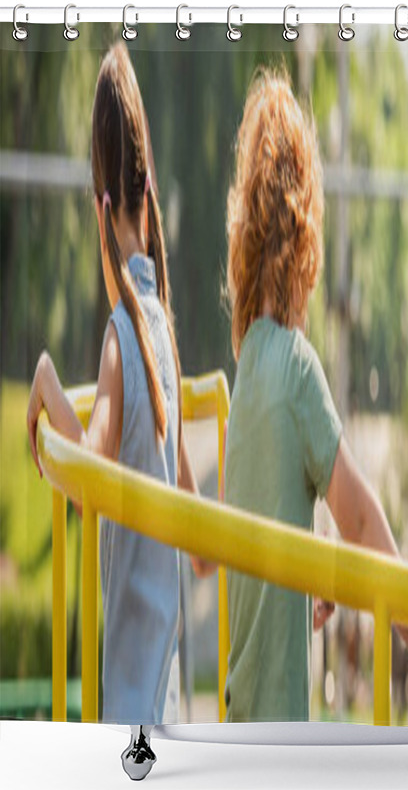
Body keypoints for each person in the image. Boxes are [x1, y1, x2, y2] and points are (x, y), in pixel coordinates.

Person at [222, 67, 408, 723]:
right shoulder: (295, 366)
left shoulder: (249, 373)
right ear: (307, 244)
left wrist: (310, 576)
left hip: (246, 706)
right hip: (276, 719)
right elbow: (359, 518)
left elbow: (264, 532)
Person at [26, 42, 209, 727]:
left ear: (97, 201)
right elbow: (200, 553)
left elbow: (91, 473)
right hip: (169, 704)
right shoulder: (163, 332)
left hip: (127, 712)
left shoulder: (119, 338)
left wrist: (46, 382)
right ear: (146, 187)